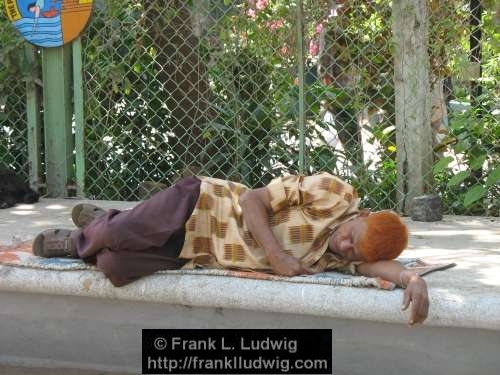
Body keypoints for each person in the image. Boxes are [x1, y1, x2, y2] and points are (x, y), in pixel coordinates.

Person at [33, 172, 429, 325]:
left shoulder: (337, 259)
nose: (345, 247)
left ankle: (108, 219)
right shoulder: (333, 195)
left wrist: (412, 278)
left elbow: (381, 269)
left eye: (354, 253)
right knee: (115, 237)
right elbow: (253, 200)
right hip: (204, 203)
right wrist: (276, 254)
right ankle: (74, 240)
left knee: (115, 264)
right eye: (351, 236)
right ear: (364, 214)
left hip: (197, 248)